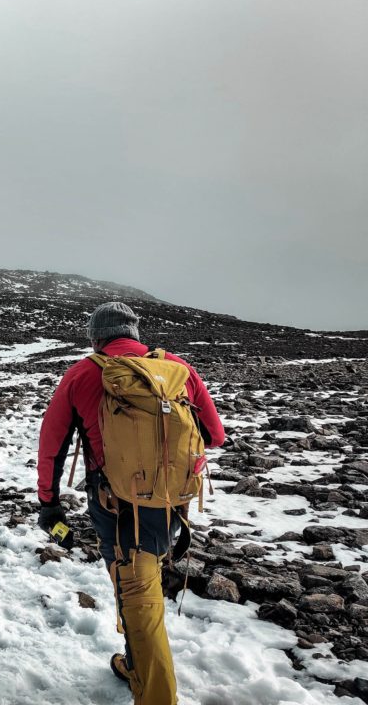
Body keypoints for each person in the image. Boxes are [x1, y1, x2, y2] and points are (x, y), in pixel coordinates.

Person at [36, 302, 224, 705]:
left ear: (96, 337)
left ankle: (156, 694)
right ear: (135, 334)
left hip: (115, 504)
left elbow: (52, 445)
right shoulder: (177, 367)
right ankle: (137, 662)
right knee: (141, 579)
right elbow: (214, 435)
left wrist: (49, 504)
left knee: (139, 595)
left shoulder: (85, 373)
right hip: (171, 501)